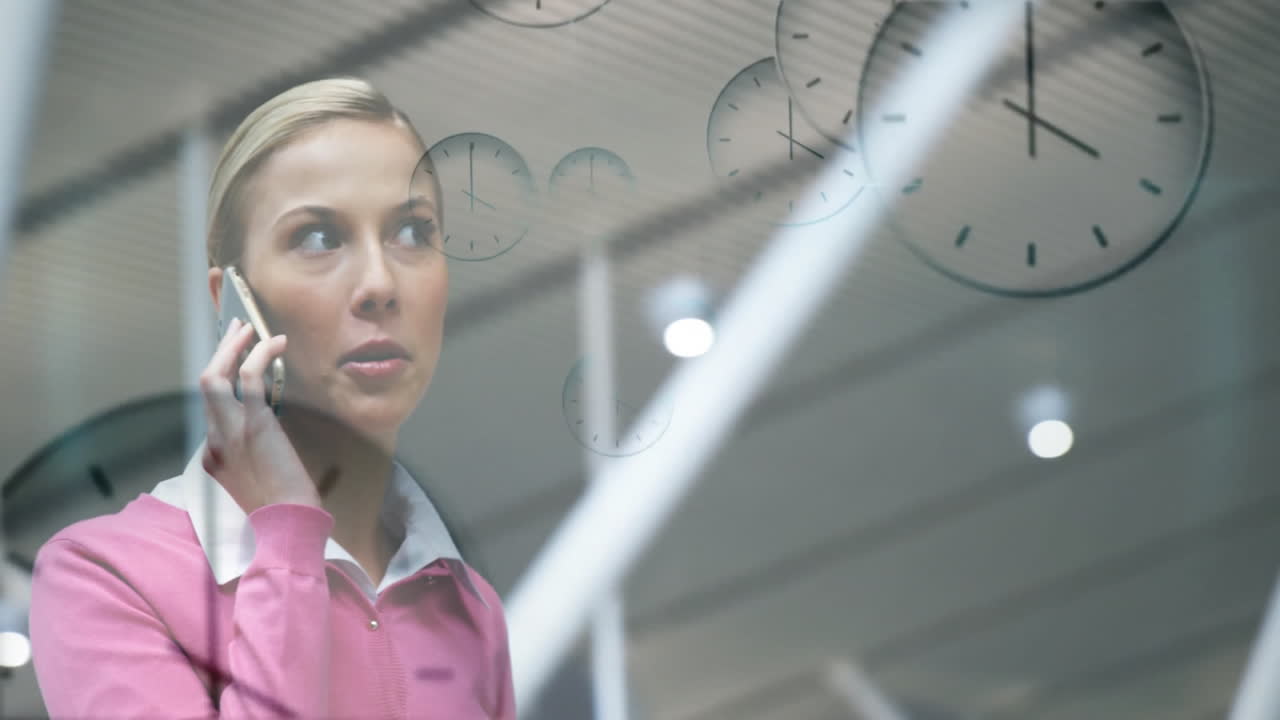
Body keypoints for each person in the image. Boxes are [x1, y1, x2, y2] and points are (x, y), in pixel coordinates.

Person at [28, 77, 515, 719]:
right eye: (318, 238)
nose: (380, 283)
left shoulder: (468, 608)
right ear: (232, 303)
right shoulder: (103, 575)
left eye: (412, 232)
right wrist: (287, 534)